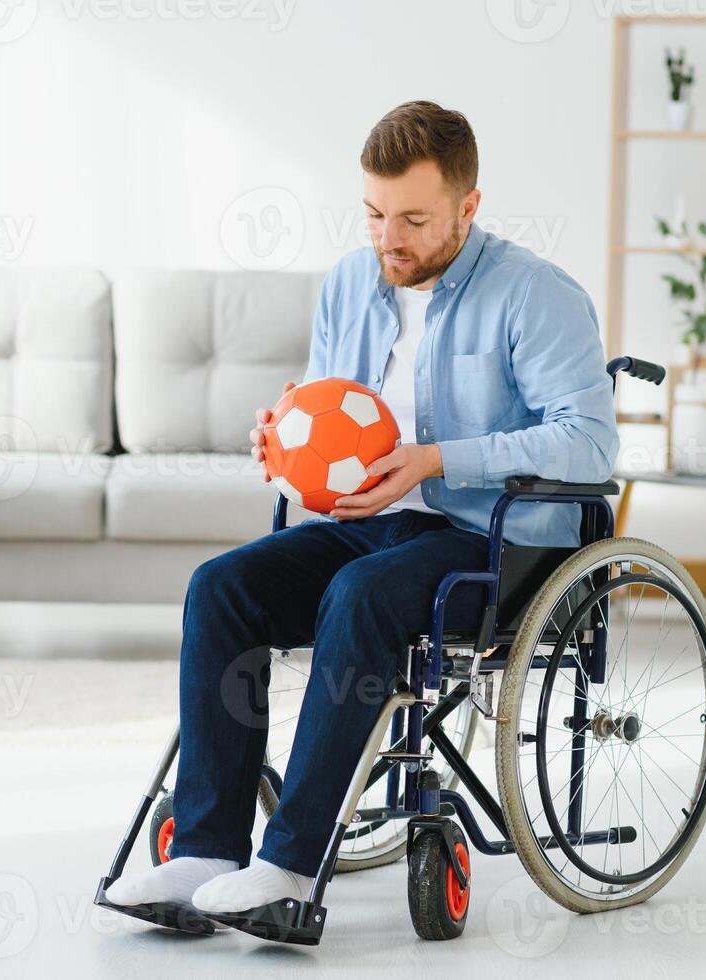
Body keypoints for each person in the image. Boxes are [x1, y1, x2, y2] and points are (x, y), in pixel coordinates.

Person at [105, 100, 618, 922]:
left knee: (364, 594)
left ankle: (291, 865)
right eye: (375, 214)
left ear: (468, 208)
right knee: (220, 587)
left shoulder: (536, 295)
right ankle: (203, 847)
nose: (389, 239)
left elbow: (589, 446)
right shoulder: (350, 281)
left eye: (414, 219)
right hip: (367, 527)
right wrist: (283, 442)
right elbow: (326, 406)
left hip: (492, 542)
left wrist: (443, 457)